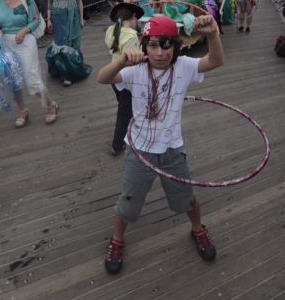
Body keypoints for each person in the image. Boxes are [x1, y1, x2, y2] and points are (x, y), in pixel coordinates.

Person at [96, 14, 224, 274]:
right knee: (128, 200)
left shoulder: (184, 66)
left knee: (186, 198)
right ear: (144, 46)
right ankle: (117, 239)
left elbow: (215, 60)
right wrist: (120, 60)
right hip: (139, 148)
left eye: (166, 45)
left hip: (172, 148)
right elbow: (103, 78)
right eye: (153, 45)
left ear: (176, 47)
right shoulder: (135, 70)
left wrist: (212, 33)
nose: (159, 52)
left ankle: (198, 229)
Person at [0, 0, 59, 127]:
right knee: (12, 80)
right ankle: (22, 110)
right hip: (6, 43)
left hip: (25, 41)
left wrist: (24, 30)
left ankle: (50, 105)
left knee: (32, 78)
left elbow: (36, 19)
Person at [46, 0, 91, 86]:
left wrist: (81, 19)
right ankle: (61, 70)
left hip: (71, 19)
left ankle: (69, 73)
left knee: (70, 44)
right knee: (59, 44)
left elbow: (79, 1)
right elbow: (49, 3)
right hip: (57, 18)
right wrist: (49, 19)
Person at [105, 3, 143, 156]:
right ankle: (117, 144)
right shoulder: (132, 35)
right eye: (137, 19)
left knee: (124, 105)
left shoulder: (111, 30)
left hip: (114, 76)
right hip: (126, 80)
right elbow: (132, 59)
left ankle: (131, 128)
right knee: (124, 113)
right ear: (133, 17)